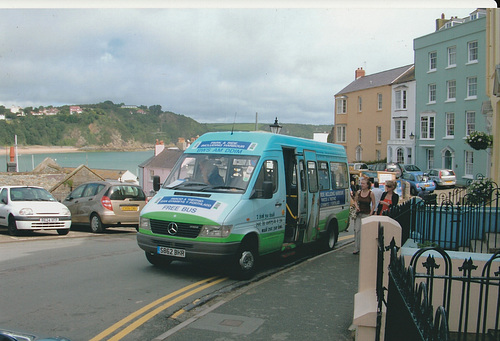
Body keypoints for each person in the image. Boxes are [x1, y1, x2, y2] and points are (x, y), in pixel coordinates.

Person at [352, 177, 376, 255]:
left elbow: (373, 204)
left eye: (363, 183)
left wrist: (371, 213)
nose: (361, 185)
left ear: (368, 185)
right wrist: (357, 207)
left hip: (366, 214)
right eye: (361, 183)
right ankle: (356, 248)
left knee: (364, 232)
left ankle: (364, 247)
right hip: (359, 214)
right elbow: (355, 200)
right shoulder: (359, 192)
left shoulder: (371, 193)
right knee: (357, 230)